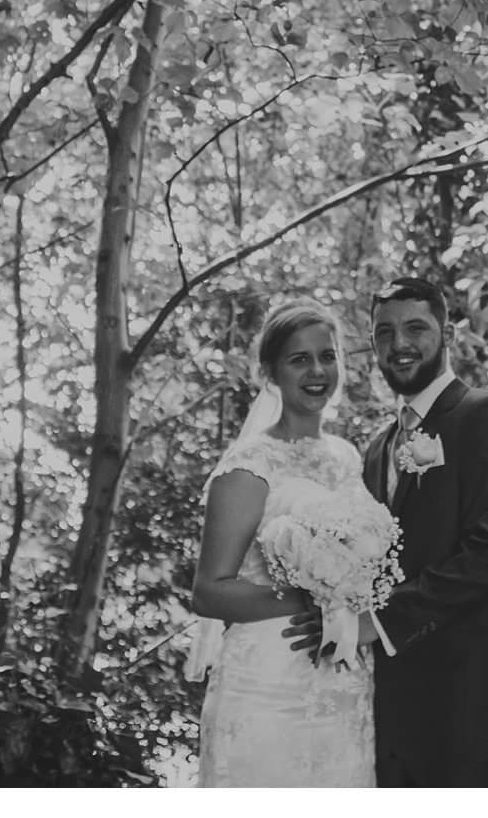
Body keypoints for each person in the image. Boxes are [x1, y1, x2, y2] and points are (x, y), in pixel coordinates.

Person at [288, 275, 488, 786]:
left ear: (445, 334)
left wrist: (374, 624)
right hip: (387, 704)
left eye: (415, 328)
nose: (399, 345)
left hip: (461, 703)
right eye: (383, 333)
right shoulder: (379, 446)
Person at [186, 299, 379, 786]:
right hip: (268, 683)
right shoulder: (249, 467)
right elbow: (209, 591)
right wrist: (310, 600)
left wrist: (350, 607)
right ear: (270, 372)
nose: (317, 371)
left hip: (343, 677)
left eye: (327, 356)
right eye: (299, 359)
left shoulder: (348, 456)